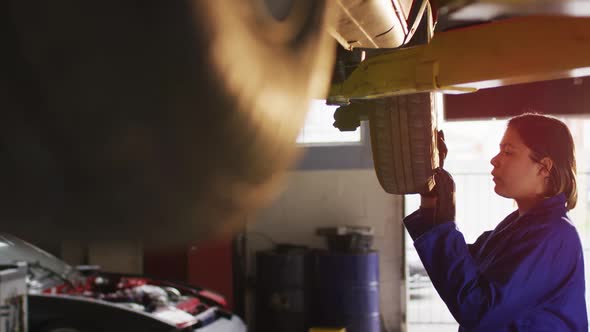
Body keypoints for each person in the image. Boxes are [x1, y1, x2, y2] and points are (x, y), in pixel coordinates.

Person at [403, 113, 587, 331]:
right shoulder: (521, 225)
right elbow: (463, 270)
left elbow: (479, 308)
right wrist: (431, 200)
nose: (494, 159)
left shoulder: (553, 236)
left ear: (543, 168)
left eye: (508, 152)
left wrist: (445, 223)